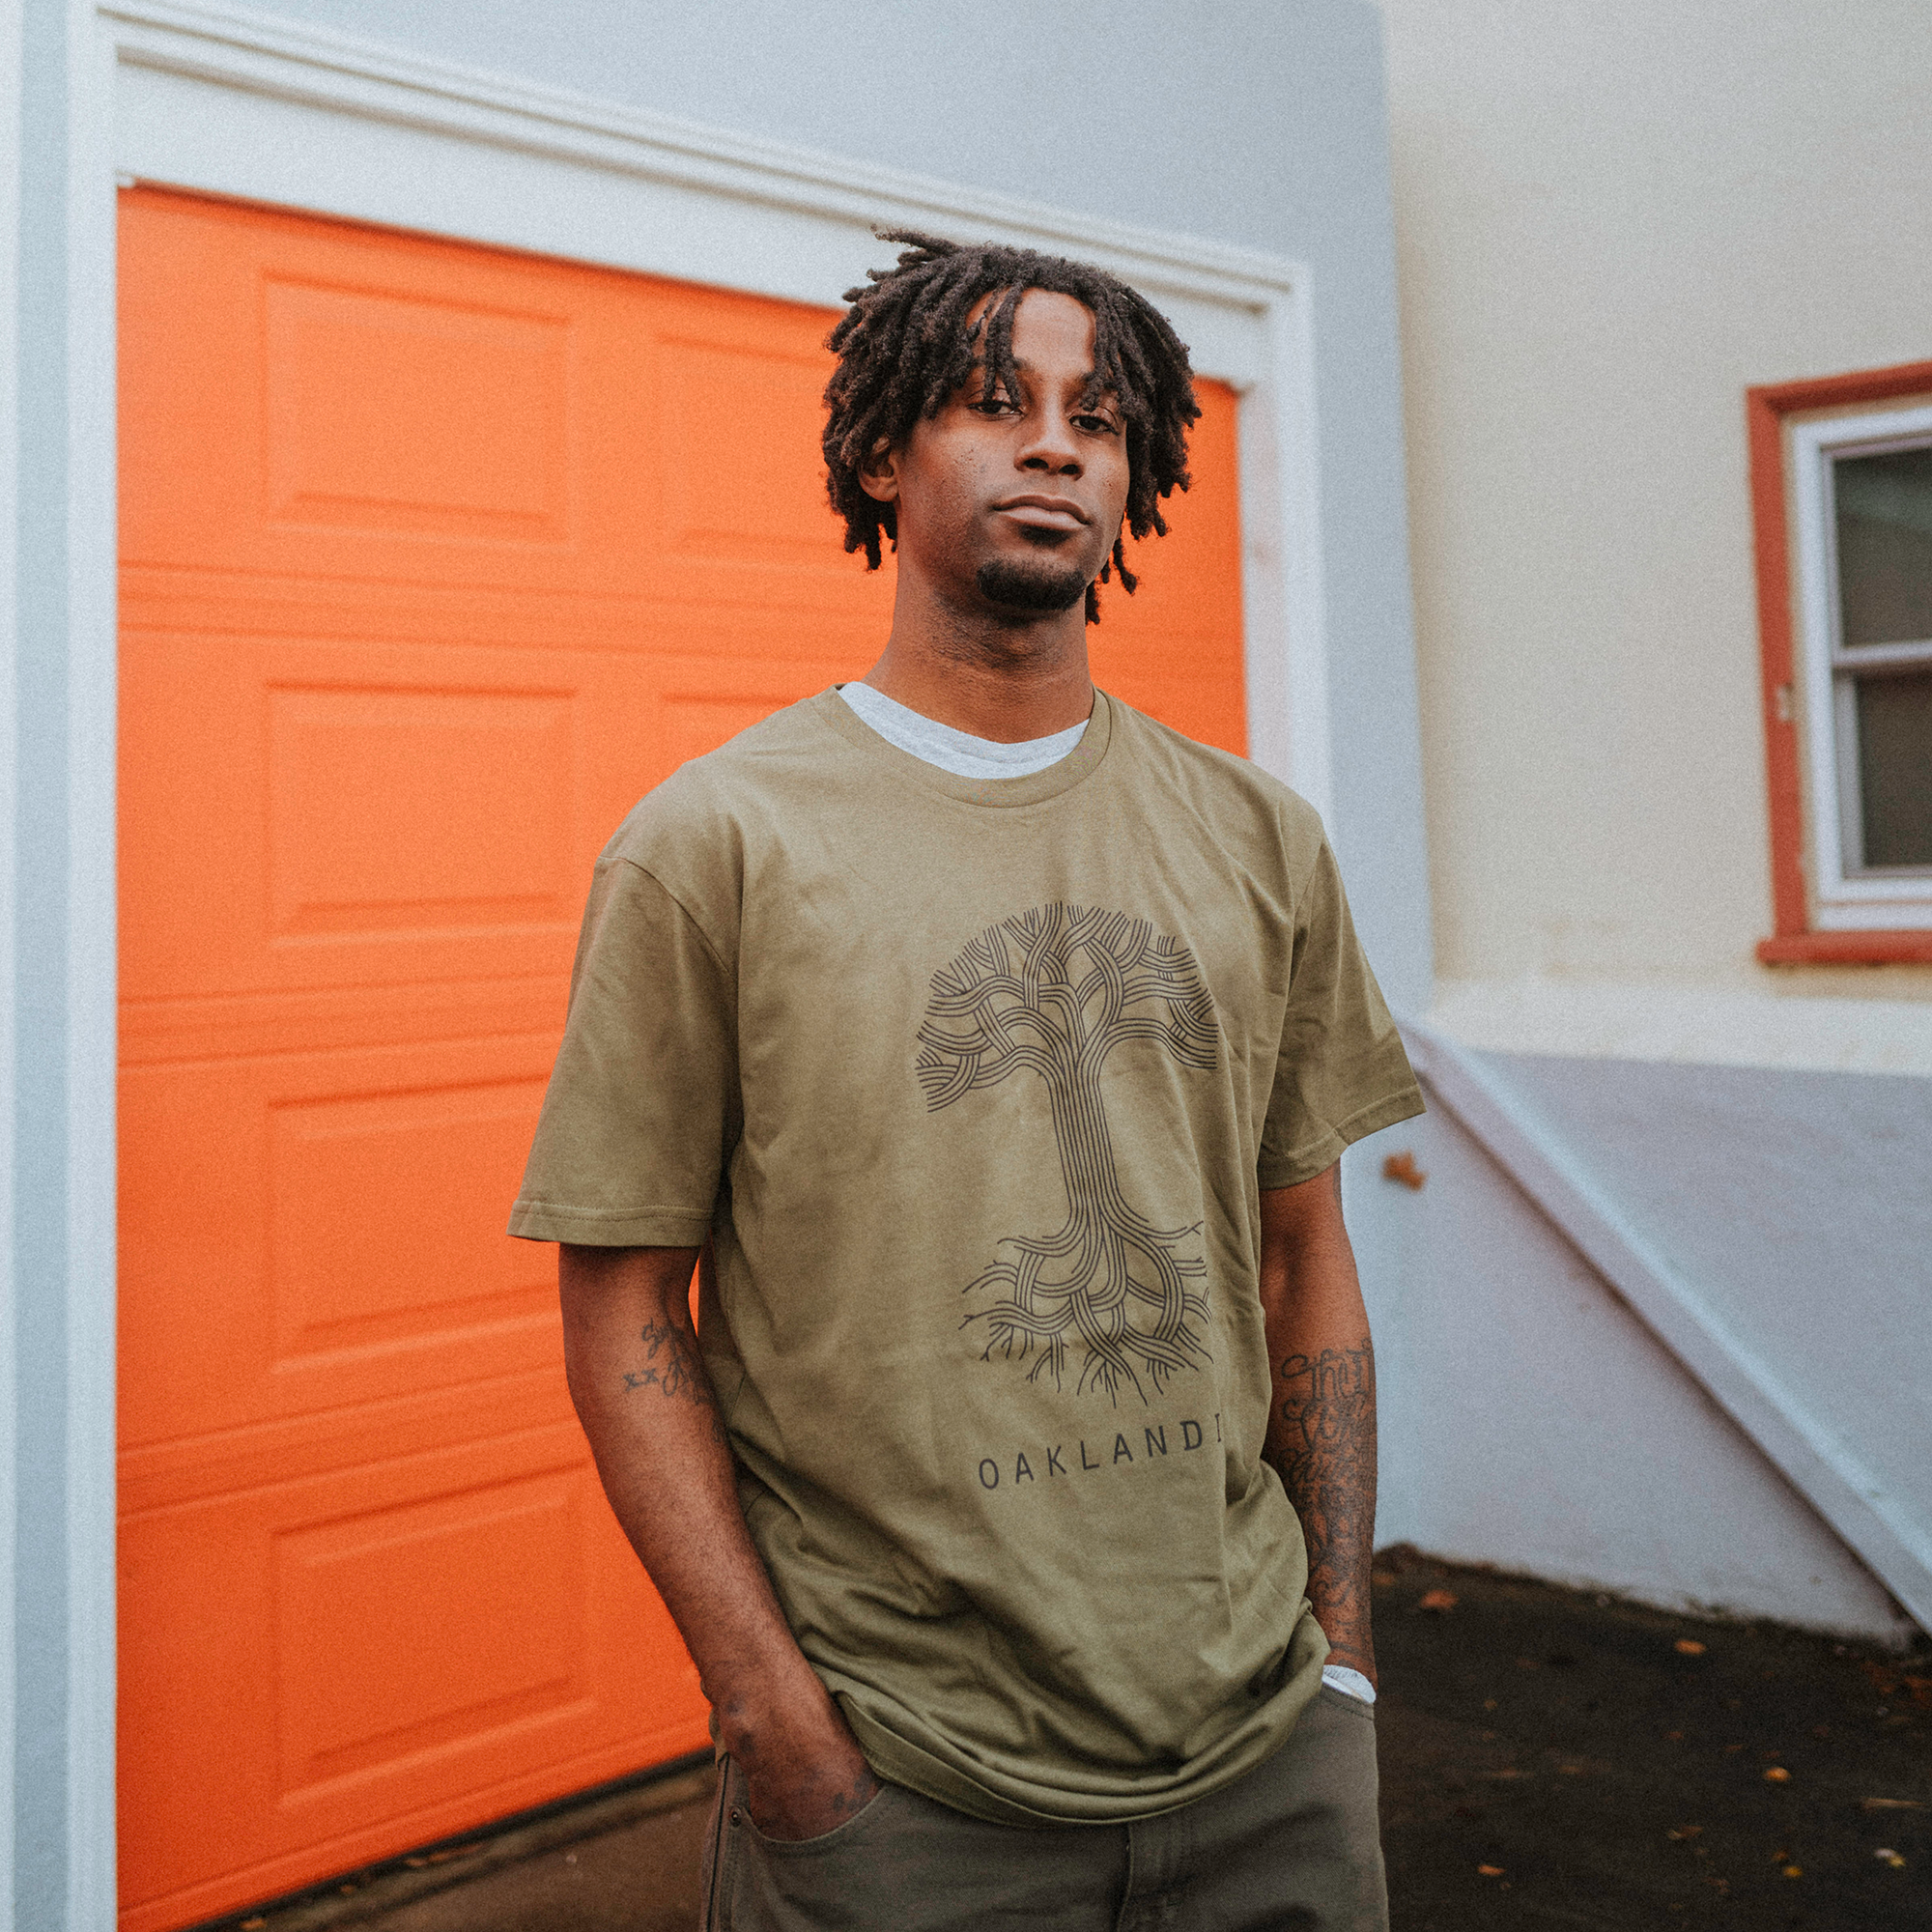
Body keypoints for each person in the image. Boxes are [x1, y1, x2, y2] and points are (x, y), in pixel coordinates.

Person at [509, 232, 1424, 1930]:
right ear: (880, 454)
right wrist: (774, 1719)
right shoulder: (719, 844)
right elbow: (625, 1307)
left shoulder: (1255, 838)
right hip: (908, 1792)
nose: (1056, 444)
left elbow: (1304, 1260)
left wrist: (1345, 1659)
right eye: (995, 403)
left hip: (1268, 1757)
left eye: (1098, 415)